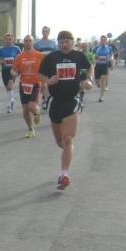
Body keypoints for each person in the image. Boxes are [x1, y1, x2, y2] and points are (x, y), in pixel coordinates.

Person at [38, 30, 92, 190]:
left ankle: (64, 175)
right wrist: (48, 80)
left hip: (72, 101)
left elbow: (90, 67)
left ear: (72, 42)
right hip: (55, 102)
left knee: (68, 139)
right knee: (61, 142)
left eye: (67, 41)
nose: (64, 45)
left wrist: (88, 80)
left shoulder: (79, 56)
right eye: (61, 42)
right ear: (58, 43)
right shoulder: (51, 58)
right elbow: (40, 74)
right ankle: (68, 151)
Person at [11, 34, 44, 138]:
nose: (28, 42)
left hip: (35, 84)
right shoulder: (19, 56)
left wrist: (45, 80)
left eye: (30, 40)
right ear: (23, 43)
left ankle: (37, 113)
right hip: (24, 85)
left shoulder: (39, 55)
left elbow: (46, 68)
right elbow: (13, 69)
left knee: (31, 106)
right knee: (25, 110)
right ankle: (31, 129)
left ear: (33, 42)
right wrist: (13, 74)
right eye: (26, 41)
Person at [0, 32, 21, 113]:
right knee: (7, 88)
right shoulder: (1, 49)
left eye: (10, 39)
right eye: (7, 39)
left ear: (13, 40)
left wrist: (18, 66)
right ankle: (11, 99)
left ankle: (9, 105)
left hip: (13, 70)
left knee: (10, 86)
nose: (8, 41)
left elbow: (21, 58)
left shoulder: (16, 49)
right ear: (4, 40)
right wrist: (0, 61)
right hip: (5, 70)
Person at [92, 35, 115, 102]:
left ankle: (101, 97)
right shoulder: (96, 48)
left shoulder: (109, 48)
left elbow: (111, 56)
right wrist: (94, 60)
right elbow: (92, 55)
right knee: (97, 82)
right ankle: (98, 84)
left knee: (103, 82)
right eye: (102, 39)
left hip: (105, 65)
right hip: (97, 66)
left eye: (104, 40)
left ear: (106, 41)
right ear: (100, 40)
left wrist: (112, 63)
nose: (103, 41)